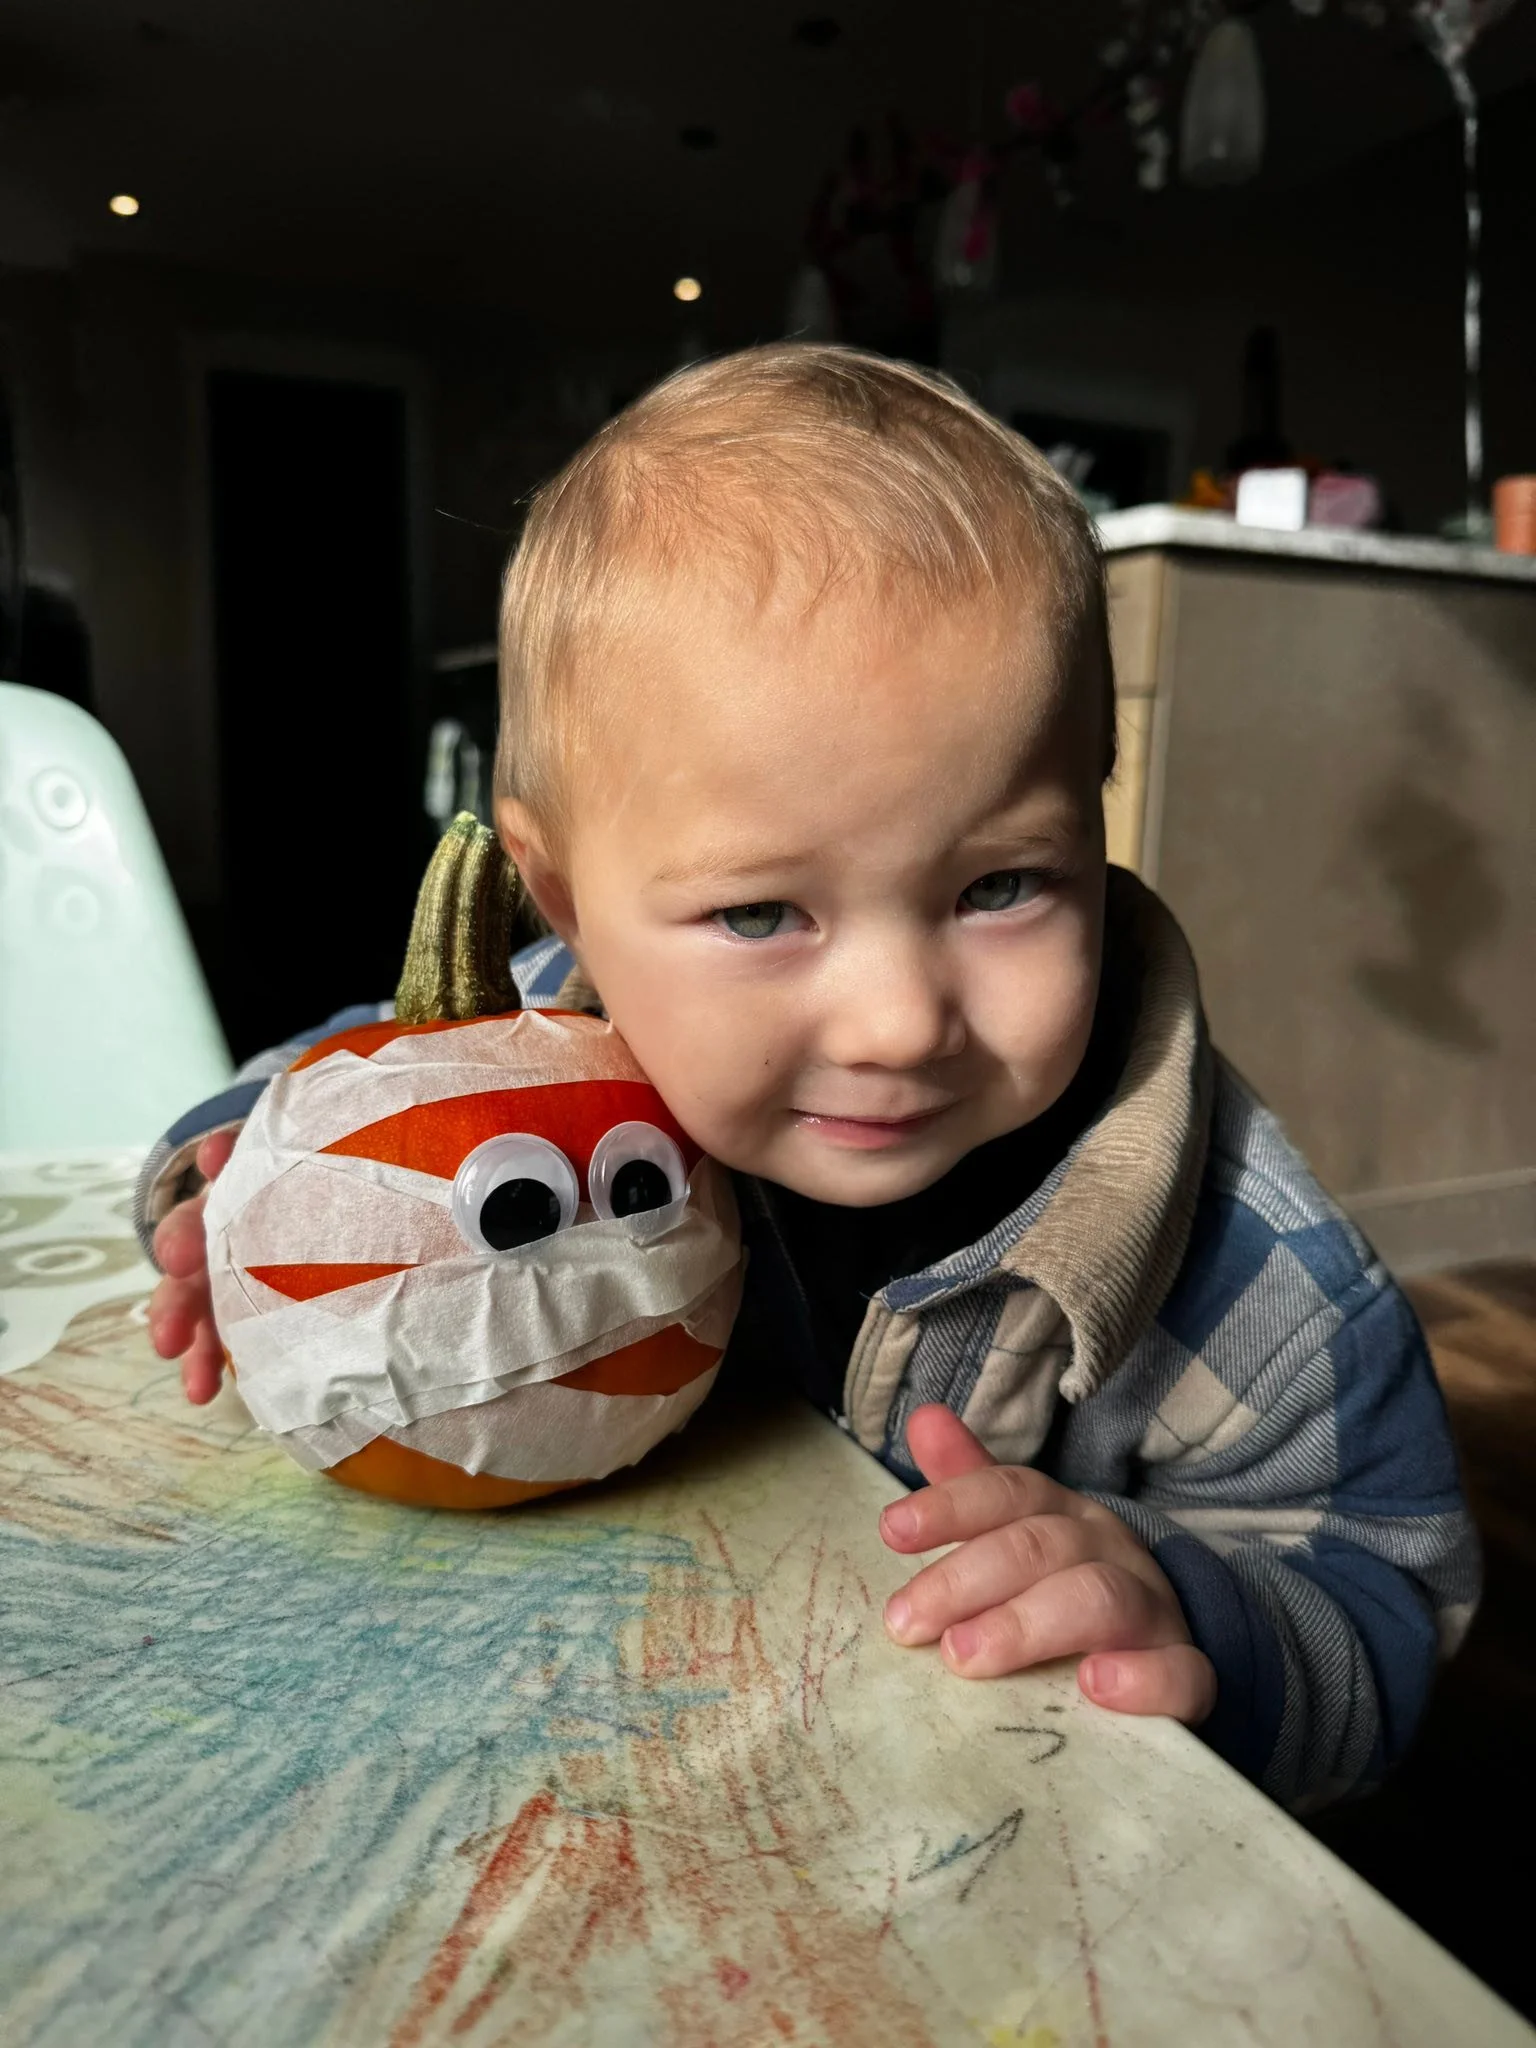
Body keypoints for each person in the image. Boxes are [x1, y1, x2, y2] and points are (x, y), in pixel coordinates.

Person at [140, 344, 1477, 1811]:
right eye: (764, 914)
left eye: (1004, 885)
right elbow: (326, 1075)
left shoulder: (1248, 1259)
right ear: (564, 900)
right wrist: (235, 1181)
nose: (901, 1022)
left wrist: (1192, 1617)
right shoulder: (552, 1039)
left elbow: (1387, 1605)